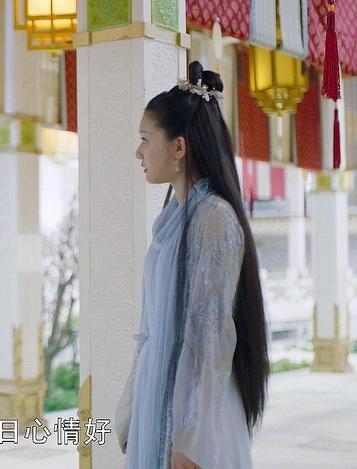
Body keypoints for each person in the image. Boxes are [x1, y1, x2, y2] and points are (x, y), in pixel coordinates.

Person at [114, 61, 270, 469]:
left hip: (194, 421)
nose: (138, 152)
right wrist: (133, 409)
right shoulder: (171, 220)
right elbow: (151, 330)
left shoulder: (213, 219)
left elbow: (209, 335)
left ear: (179, 147)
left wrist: (190, 438)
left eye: (145, 139)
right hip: (159, 396)